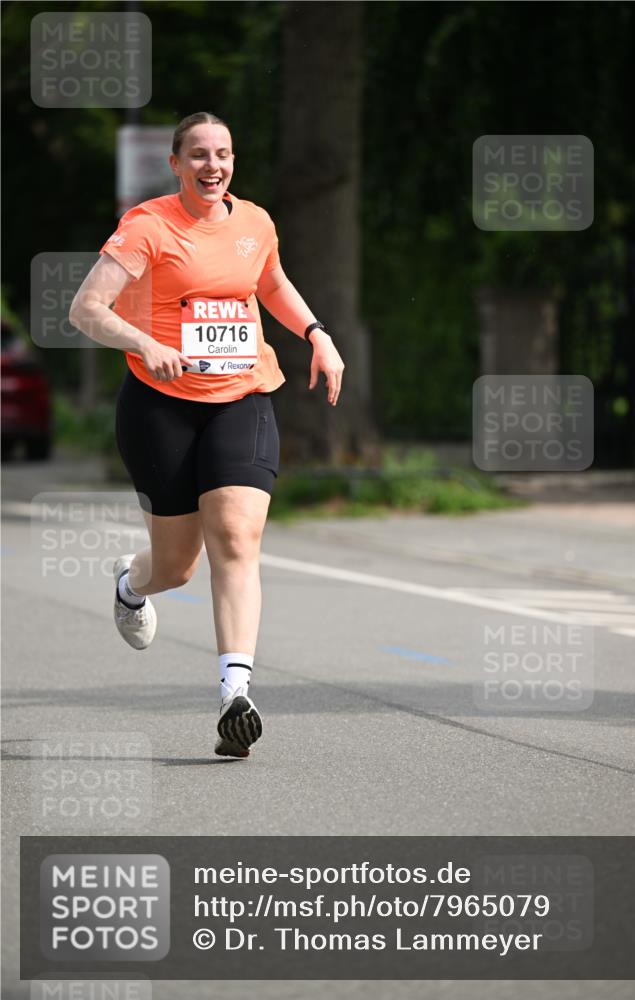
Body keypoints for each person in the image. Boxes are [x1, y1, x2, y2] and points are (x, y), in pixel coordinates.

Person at [69, 111, 345, 758]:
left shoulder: (253, 222)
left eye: (221, 154)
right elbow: (86, 308)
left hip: (241, 396)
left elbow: (271, 283)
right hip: (159, 405)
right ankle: (130, 587)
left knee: (237, 536)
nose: (211, 166)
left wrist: (316, 334)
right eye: (197, 155)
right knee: (175, 566)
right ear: (175, 163)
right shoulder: (148, 225)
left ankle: (234, 693)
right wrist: (144, 342)